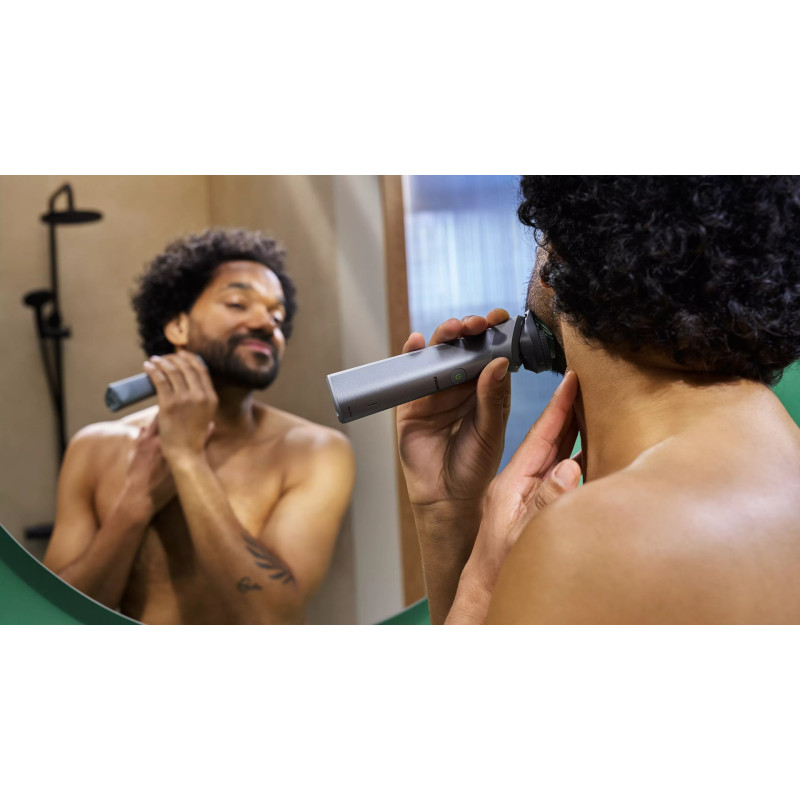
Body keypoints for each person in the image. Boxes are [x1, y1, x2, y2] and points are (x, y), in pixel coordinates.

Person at [397, 176, 800, 624]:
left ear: (562, 254)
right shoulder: (778, 466)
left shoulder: (588, 543)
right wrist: (445, 513)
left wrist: (483, 589)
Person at [43, 228, 355, 624]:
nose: (266, 323)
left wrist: (187, 459)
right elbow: (54, 621)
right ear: (177, 326)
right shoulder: (95, 448)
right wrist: (135, 504)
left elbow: (270, 620)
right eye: (238, 304)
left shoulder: (314, 451)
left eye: (277, 316)